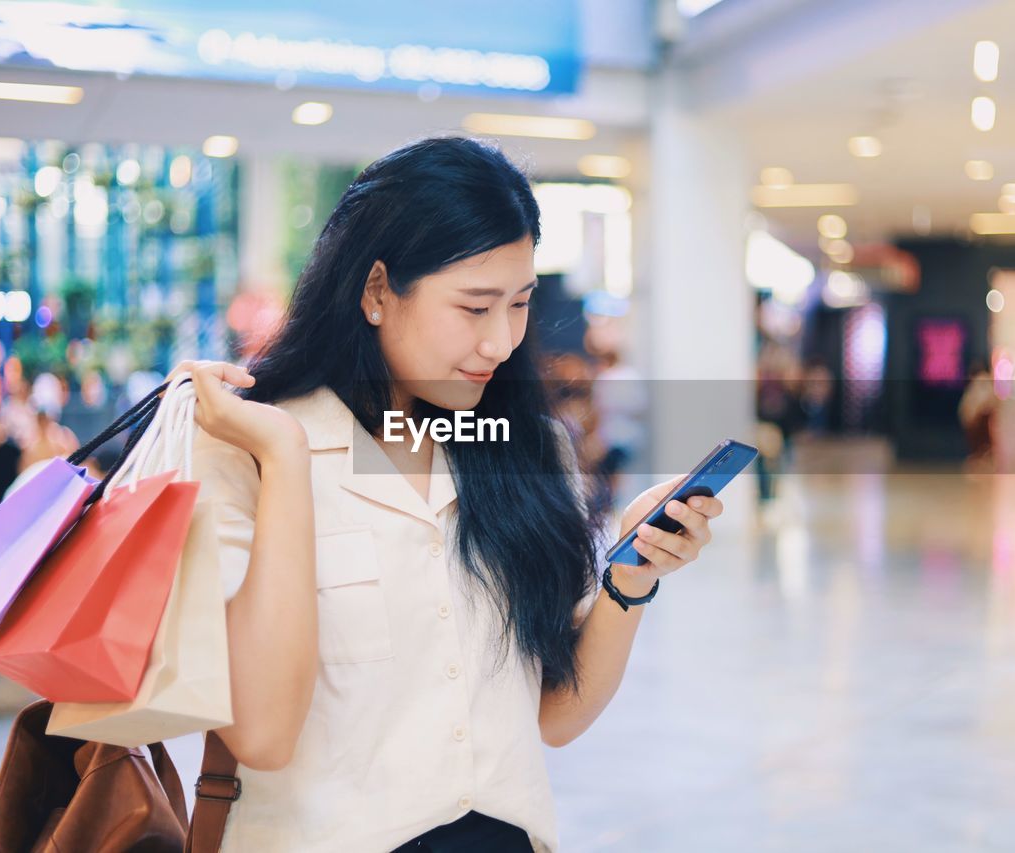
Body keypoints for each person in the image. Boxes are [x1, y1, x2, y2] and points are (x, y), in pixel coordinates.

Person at [179, 136, 726, 853]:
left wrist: (628, 578)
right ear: (378, 291)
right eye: (474, 308)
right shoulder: (243, 449)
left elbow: (553, 714)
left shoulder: (525, 449)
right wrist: (285, 457)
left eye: (520, 303)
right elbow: (260, 733)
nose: (501, 341)